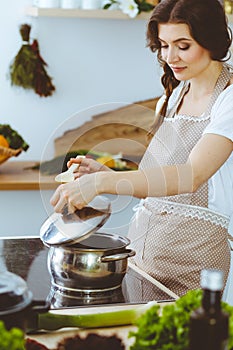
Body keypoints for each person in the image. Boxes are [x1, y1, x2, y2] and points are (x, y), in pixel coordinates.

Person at [50, 0, 233, 296]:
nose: (170, 56)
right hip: (143, 249)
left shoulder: (229, 99)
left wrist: (102, 182)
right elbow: (162, 177)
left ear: (210, 40)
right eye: (163, 45)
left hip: (194, 256)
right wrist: (107, 173)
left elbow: (192, 175)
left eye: (183, 45)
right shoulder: (175, 94)